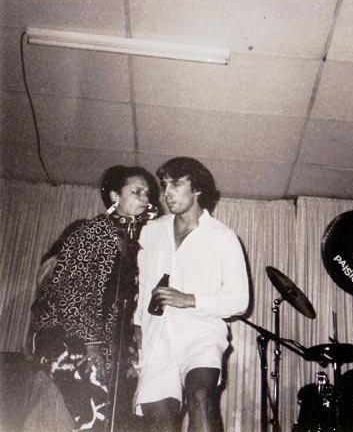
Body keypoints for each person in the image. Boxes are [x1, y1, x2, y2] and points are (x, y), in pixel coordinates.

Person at [30, 165, 160, 431]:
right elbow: (69, 287)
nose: (145, 199)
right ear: (114, 197)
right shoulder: (91, 232)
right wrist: (91, 341)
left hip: (100, 343)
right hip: (66, 336)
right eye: (136, 192)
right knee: (92, 416)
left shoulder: (133, 246)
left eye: (147, 194)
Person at [133, 157, 250, 432]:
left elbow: (239, 301)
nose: (167, 193)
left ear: (196, 188)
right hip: (156, 340)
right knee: (158, 420)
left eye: (175, 184)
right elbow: (141, 286)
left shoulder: (223, 237)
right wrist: (137, 327)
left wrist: (189, 300)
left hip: (201, 332)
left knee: (200, 396)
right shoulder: (151, 231)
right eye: (164, 186)